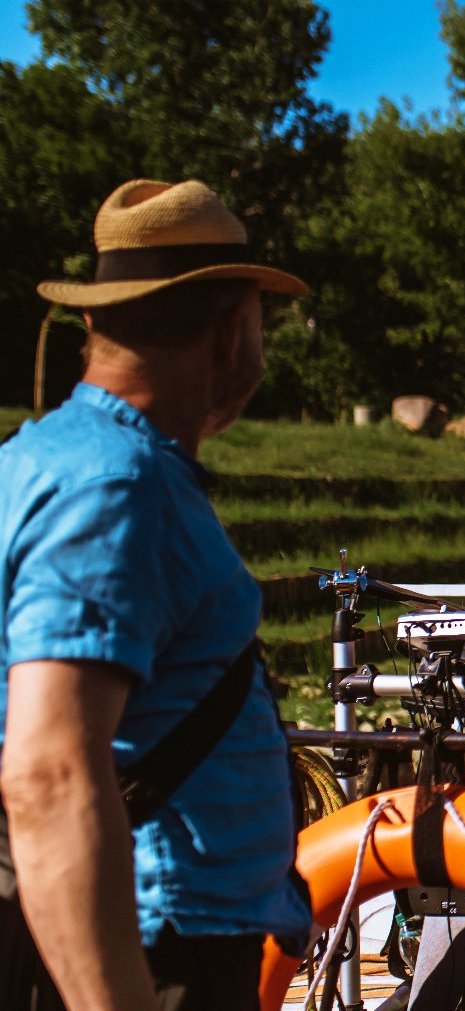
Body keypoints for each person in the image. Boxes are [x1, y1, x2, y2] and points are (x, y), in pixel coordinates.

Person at [0, 179, 313, 1010]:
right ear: (228, 330)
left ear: (97, 322)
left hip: (170, 930)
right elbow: (51, 771)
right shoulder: (115, 486)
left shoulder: (52, 456)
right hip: (159, 945)